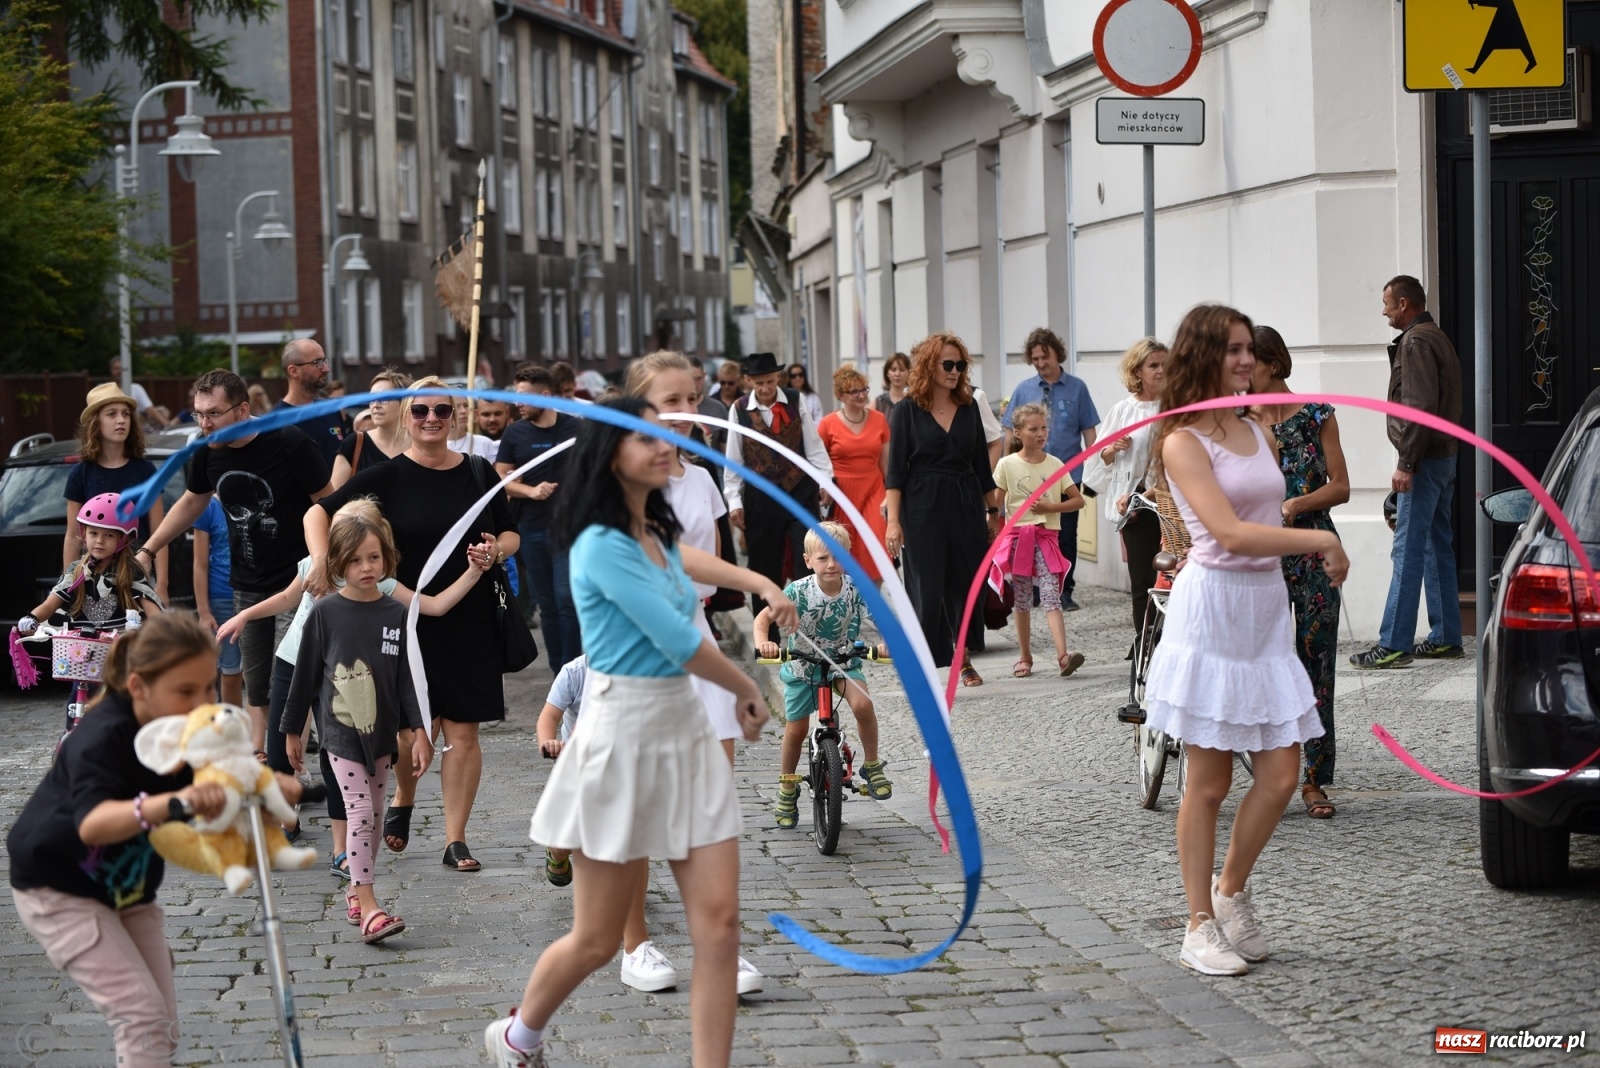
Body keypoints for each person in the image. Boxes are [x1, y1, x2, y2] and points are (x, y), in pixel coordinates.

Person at [485, 397, 768, 1068]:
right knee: (597, 938)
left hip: (686, 732)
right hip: (621, 735)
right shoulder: (598, 545)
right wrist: (746, 686)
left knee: (720, 929)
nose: (664, 442)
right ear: (612, 454)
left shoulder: (654, 531)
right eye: (645, 437)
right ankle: (519, 1034)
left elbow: (693, 566)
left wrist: (763, 582)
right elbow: (674, 638)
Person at [1143, 304, 1349, 977]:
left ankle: (1230, 894)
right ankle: (1196, 923)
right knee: (1207, 782)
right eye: (1233, 350)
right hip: (1215, 608)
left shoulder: (1253, 423)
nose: (1245, 359)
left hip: (1263, 609)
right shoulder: (1181, 440)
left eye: (1247, 349)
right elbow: (1229, 534)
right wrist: (1317, 537)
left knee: (1283, 775)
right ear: (1204, 354)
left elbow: (1281, 497)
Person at [7, 613, 307, 1068]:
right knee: (141, 1015)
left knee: (161, 1022)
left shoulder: (187, 731)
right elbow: (94, 823)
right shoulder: (102, 734)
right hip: (59, 887)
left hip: (127, 890)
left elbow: (223, 777)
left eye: (208, 688)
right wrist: (173, 803)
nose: (201, 703)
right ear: (139, 686)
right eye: (185, 691)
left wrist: (265, 787)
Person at [307, 376, 519, 873]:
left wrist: (495, 550)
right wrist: (321, 558)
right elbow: (319, 512)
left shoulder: (478, 471)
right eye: (420, 410)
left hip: (470, 615)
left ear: (455, 417)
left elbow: (511, 532)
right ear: (407, 417)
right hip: (403, 620)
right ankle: (404, 794)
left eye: (442, 411)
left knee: (464, 731)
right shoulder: (386, 476)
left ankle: (455, 839)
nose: (431, 419)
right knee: (407, 733)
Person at [280, 502, 495, 943]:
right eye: (355, 560)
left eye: (374, 558)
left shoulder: (396, 614)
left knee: (376, 817)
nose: (366, 567)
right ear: (338, 563)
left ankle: (358, 892)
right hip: (340, 734)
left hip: (383, 737)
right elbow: (302, 678)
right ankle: (371, 904)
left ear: (387, 559)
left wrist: (419, 732)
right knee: (359, 811)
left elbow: (406, 680)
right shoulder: (324, 612)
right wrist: (290, 729)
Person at [136, 370, 333, 758]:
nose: (205, 424)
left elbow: (329, 501)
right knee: (257, 685)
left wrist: (323, 561)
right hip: (246, 582)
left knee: (289, 682)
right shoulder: (206, 449)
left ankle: (287, 768)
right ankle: (273, 762)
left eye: (213, 414)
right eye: (198, 414)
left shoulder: (288, 441)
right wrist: (148, 549)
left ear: (242, 410)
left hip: (297, 582)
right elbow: (193, 501)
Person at [1250, 326, 1350, 819]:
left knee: (1316, 662)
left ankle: (1313, 779)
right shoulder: (1240, 419)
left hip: (1311, 548)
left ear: (1272, 362)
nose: (1242, 370)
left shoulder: (1315, 413)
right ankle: (1269, 773)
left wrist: (1297, 503)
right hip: (1260, 552)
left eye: (1251, 360)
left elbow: (1342, 486)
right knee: (1261, 661)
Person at [1353, 275, 1464, 669]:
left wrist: (1406, 463)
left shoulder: (1416, 341)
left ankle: (1394, 643)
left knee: (1407, 547)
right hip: (1443, 456)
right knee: (1436, 543)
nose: (1383, 311)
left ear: (1404, 304)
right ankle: (1447, 636)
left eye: (1386, 303)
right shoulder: (1436, 335)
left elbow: (1417, 408)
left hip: (1425, 459)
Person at [755, 520, 892, 828]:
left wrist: (886, 642)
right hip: (802, 668)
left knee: (863, 705)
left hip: (843, 664)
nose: (832, 564)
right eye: (822, 558)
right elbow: (762, 620)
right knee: (796, 730)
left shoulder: (856, 590)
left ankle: (871, 765)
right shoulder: (798, 591)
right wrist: (764, 643)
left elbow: (882, 618)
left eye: (838, 556)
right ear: (807, 561)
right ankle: (787, 787)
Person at [885, 333, 1000, 686]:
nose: (954, 371)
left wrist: (993, 513)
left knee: (966, 583)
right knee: (927, 583)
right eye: (947, 364)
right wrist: (893, 522)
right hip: (921, 505)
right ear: (928, 366)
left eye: (960, 365)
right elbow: (896, 472)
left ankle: (962, 656)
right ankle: (928, 659)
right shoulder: (906, 410)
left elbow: (982, 466)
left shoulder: (969, 406)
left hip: (965, 502)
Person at [723, 352, 834, 641]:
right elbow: (733, 460)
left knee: (807, 559)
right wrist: (734, 501)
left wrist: (825, 481)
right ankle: (767, 636)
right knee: (763, 565)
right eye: (759, 383)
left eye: (770, 381)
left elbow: (813, 445)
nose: (765, 388)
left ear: (778, 379)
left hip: (799, 491)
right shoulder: (738, 409)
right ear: (749, 381)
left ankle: (809, 630)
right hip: (761, 496)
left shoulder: (796, 401)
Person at [1002, 327, 1100, 610]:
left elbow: (1089, 432)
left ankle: (1064, 590)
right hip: (1027, 475)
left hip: (1067, 475)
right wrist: (1007, 469)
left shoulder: (1077, 388)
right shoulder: (1024, 389)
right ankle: (1034, 589)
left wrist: (1093, 471)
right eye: (1035, 359)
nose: (1041, 363)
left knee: (1065, 535)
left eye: (1045, 357)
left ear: (1058, 353)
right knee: (1030, 535)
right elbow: (1011, 432)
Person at [992, 404, 1085, 678]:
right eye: (1033, 429)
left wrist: (1050, 508)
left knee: (1050, 595)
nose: (1041, 433)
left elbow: (1077, 500)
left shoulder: (1055, 464)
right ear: (1018, 433)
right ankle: (1024, 657)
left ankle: (1063, 656)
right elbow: (995, 505)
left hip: (1046, 538)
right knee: (1021, 599)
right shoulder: (1007, 464)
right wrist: (992, 533)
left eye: (1044, 427)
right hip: (1018, 539)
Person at [499, 365, 582, 670]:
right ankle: (559, 670)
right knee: (547, 605)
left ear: (545, 396)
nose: (517, 403)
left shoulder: (575, 428)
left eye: (523, 397)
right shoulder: (515, 432)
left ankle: (576, 667)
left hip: (568, 529)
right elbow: (501, 478)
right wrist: (530, 491)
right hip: (530, 528)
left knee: (566, 600)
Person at [1082, 338, 1168, 634]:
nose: (1160, 371)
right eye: (1153, 365)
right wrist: (1113, 449)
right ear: (1138, 371)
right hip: (1136, 507)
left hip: (1172, 502)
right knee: (1143, 580)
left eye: (1164, 365)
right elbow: (1097, 459)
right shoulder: (1123, 410)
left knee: (1174, 579)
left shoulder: (1176, 406)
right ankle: (1144, 642)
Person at [65, 384, 167, 599]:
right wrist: (68, 583)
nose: (121, 420)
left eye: (126, 414)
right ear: (96, 422)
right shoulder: (81, 473)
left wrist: (162, 586)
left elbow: (160, 532)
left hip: (139, 577)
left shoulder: (146, 470)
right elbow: (74, 534)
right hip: (94, 578)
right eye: (112, 414)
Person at [21, 493, 163, 629]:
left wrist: (162, 630)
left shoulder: (131, 570)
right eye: (93, 533)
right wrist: (31, 619)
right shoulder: (76, 569)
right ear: (84, 534)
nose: (99, 541)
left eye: (109, 535)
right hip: (79, 648)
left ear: (123, 539)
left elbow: (153, 612)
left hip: (119, 647)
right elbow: (49, 605)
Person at [815, 366, 890, 582]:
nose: (861, 395)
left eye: (864, 389)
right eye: (854, 391)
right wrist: (823, 488)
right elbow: (819, 461)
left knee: (876, 545)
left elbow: (886, 464)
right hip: (842, 493)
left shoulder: (879, 419)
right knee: (845, 548)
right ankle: (847, 600)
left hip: (874, 489)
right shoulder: (827, 424)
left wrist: (890, 495)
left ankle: (871, 602)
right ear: (840, 395)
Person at [192, 498, 243, 709]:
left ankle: (258, 740)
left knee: (260, 675)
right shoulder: (208, 506)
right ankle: (233, 734)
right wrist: (204, 611)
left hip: (258, 596)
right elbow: (200, 563)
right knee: (230, 673)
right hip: (221, 598)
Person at [332, 368, 412, 489]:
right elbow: (331, 501)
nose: (376, 404)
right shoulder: (355, 443)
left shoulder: (420, 445)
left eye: (385, 398)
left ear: (404, 403)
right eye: (372, 398)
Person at [273, 339, 345, 468]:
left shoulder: (331, 410)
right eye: (317, 362)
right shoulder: (274, 423)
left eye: (324, 361)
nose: (326, 369)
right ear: (294, 371)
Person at [107, 356, 174, 428]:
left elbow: (150, 409)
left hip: (134, 429)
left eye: (122, 369)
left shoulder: (136, 388)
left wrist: (167, 425)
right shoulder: (105, 390)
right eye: (116, 369)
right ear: (111, 370)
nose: (119, 372)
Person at [449, 396, 501, 461]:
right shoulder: (437, 446)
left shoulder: (484, 443)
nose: (463, 411)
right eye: (457, 407)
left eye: (466, 405)